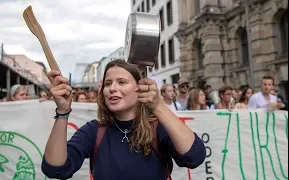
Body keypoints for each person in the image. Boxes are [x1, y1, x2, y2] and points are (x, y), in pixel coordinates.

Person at [41, 59, 206, 180]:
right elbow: (56, 169)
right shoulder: (94, 131)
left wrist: (157, 106)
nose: (112, 89)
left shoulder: (158, 128)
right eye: (108, 83)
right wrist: (63, 112)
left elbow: (194, 157)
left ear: (139, 88)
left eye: (121, 82)